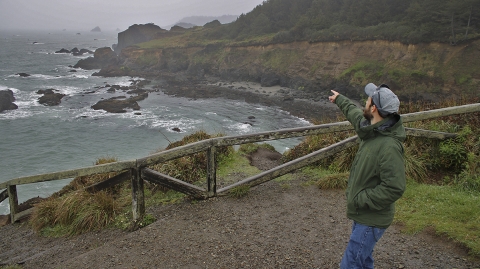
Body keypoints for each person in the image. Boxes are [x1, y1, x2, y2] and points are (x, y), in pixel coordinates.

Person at [328, 83, 406, 269]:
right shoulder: (373, 128)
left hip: (371, 219)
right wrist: (340, 99)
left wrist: (361, 199)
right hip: (364, 214)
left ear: (373, 108)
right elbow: (355, 115)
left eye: (368, 98)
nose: (366, 100)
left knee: (351, 264)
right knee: (363, 261)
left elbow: (394, 187)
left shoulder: (388, 146)